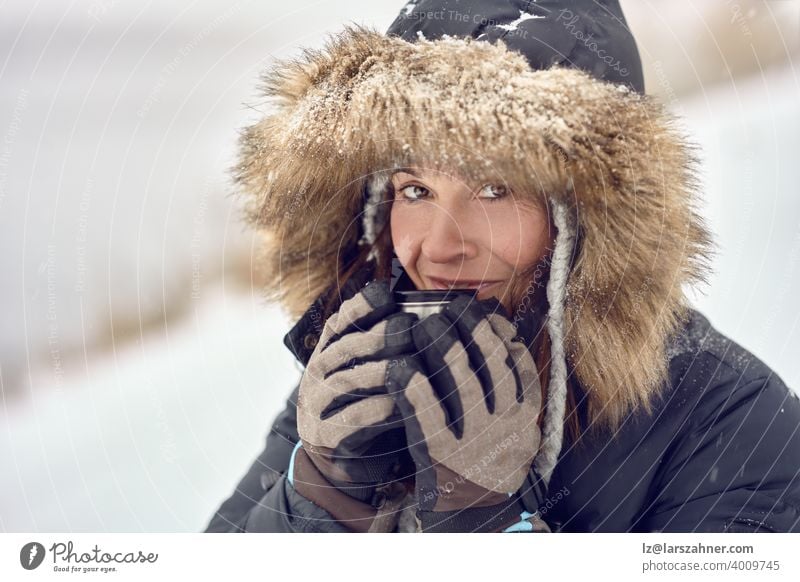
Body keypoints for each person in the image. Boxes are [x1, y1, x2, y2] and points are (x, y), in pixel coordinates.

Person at [204, 0, 800, 533]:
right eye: (415, 191)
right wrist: (316, 501)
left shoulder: (734, 423)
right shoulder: (360, 370)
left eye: (494, 189)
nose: (439, 247)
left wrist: (485, 525)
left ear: (590, 215)